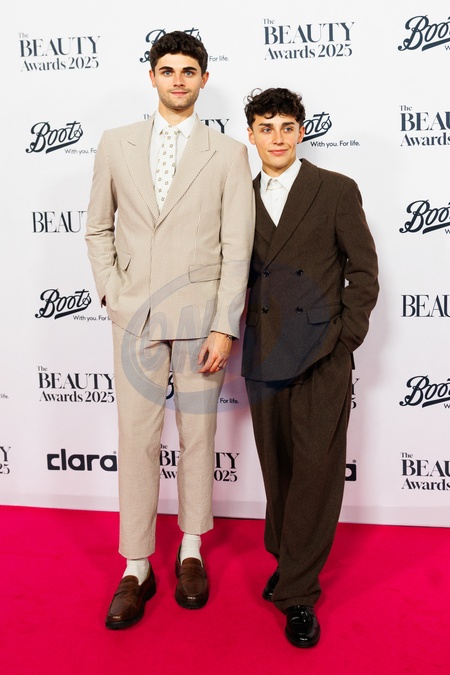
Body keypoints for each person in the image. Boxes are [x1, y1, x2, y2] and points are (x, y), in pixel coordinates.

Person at [85, 31, 254, 630]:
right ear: (152, 76)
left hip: (199, 320)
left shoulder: (228, 153)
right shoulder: (115, 143)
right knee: (135, 439)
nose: (177, 79)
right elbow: (97, 228)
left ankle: (190, 551)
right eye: (167, 69)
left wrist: (224, 325)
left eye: (188, 71)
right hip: (134, 316)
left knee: (198, 436)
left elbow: (237, 247)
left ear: (204, 79)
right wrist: (113, 291)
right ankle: (136, 565)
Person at [241, 88, 379, 648]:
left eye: (286, 127)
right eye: (266, 127)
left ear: (301, 132)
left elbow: (363, 270)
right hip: (264, 354)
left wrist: (346, 337)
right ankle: (288, 559)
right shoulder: (237, 196)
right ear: (251, 134)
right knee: (279, 470)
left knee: (317, 473)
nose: (277, 137)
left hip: (323, 354)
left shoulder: (336, 189)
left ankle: (298, 592)